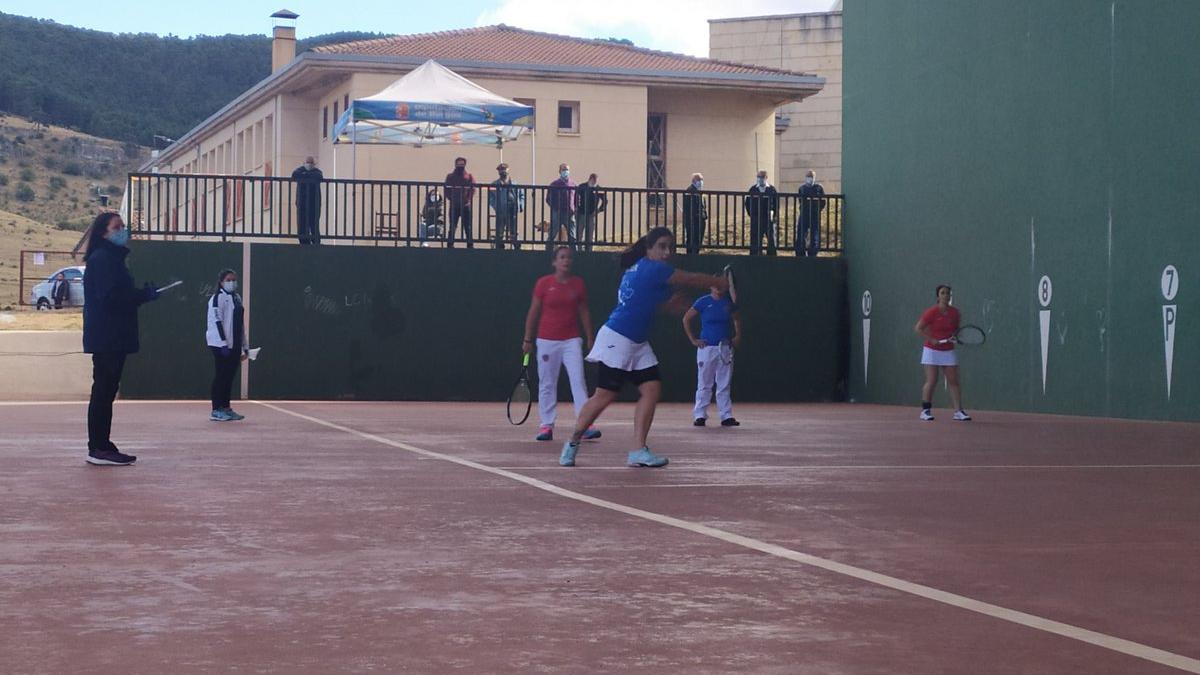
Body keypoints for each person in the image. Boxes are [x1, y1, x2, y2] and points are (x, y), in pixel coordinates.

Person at [558, 227, 729, 469]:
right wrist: (718, 282)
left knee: (651, 389)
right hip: (617, 338)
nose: (667, 252)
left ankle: (638, 450)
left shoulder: (639, 269)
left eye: (671, 247)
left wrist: (669, 307)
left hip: (636, 342)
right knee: (604, 396)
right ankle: (573, 442)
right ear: (649, 249)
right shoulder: (653, 268)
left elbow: (644, 304)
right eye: (661, 246)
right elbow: (690, 279)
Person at [81, 212, 160, 466]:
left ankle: (102, 444)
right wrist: (141, 296)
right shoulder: (103, 259)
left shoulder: (110, 259)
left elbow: (116, 294)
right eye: (117, 227)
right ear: (104, 232)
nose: (123, 230)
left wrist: (140, 295)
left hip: (111, 336)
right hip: (108, 337)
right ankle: (98, 447)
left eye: (123, 226)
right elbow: (111, 298)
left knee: (106, 391)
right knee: (103, 391)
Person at [522, 246, 601, 442]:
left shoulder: (578, 284)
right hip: (546, 340)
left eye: (569, 258)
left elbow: (584, 312)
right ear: (554, 262)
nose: (566, 261)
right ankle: (546, 425)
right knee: (547, 383)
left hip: (571, 340)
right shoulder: (543, 284)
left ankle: (585, 424)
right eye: (562, 257)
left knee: (578, 380)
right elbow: (533, 312)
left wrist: (590, 337)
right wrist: (527, 339)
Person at [683, 284, 742, 427]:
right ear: (711, 287)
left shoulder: (728, 303)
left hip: (725, 348)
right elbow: (686, 319)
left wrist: (737, 336)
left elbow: (737, 319)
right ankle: (700, 415)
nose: (719, 289)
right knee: (704, 383)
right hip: (707, 348)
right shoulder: (703, 302)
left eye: (722, 286)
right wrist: (693, 340)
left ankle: (726, 416)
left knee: (724, 383)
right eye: (716, 286)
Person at [914, 284, 972, 422]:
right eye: (942, 293)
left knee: (954, 381)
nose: (945, 295)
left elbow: (956, 331)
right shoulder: (931, 312)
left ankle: (958, 411)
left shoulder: (955, 313)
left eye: (947, 293)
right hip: (931, 350)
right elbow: (918, 328)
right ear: (937, 296)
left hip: (948, 350)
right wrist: (931, 339)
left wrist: (955, 337)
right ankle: (925, 411)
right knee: (932, 380)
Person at [206, 269, 249, 422]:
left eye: (234, 280)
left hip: (234, 345)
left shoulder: (237, 298)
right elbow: (218, 322)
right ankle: (216, 409)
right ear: (221, 282)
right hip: (220, 345)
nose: (232, 282)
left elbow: (240, 324)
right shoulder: (216, 299)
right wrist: (223, 344)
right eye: (229, 279)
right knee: (221, 376)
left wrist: (245, 346)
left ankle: (226, 407)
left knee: (229, 377)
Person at [489, 163, 524, 250]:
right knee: (500, 229)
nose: (503, 172)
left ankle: (516, 246)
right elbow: (491, 198)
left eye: (504, 170)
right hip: (501, 210)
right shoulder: (494, 184)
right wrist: (496, 207)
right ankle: (500, 246)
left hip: (512, 209)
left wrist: (520, 206)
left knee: (513, 229)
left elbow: (522, 195)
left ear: (508, 170)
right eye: (501, 170)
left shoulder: (515, 184)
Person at [744, 170, 778, 256]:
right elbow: (747, 203)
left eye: (762, 177)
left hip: (768, 218)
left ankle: (771, 257)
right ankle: (755, 256)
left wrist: (774, 215)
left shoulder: (772, 189)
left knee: (771, 239)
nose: (760, 179)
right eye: (759, 177)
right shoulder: (753, 189)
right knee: (755, 238)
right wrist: (751, 214)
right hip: (756, 218)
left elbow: (776, 203)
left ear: (766, 178)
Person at [444, 157, 476, 248]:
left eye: (462, 164)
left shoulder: (469, 176)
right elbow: (446, 189)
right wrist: (451, 198)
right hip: (454, 205)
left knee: (468, 226)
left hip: (466, 205)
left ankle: (470, 245)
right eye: (459, 164)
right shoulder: (450, 176)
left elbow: (473, 188)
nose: (460, 166)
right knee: (452, 226)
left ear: (465, 165)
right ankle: (450, 244)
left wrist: (468, 199)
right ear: (455, 164)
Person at [292, 156, 323, 245]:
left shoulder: (317, 172)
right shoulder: (299, 170)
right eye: (307, 162)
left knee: (314, 223)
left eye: (310, 163)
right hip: (302, 202)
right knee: (301, 223)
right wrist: (308, 176)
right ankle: (303, 241)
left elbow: (319, 176)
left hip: (314, 202)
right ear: (304, 163)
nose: (309, 164)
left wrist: (304, 175)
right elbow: (294, 175)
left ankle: (315, 241)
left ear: (314, 164)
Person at [545, 163, 577, 250]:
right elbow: (548, 198)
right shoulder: (554, 184)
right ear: (559, 171)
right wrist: (555, 208)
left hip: (570, 213)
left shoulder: (573, 184)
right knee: (552, 234)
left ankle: (575, 255)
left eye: (567, 169)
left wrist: (575, 209)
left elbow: (577, 199)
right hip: (557, 212)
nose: (565, 171)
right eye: (563, 170)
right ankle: (547, 253)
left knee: (572, 236)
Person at [796, 169, 826, 257]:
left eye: (812, 177)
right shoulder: (802, 188)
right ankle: (800, 253)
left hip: (814, 214)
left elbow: (823, 202)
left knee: (814, 234)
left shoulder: (819, 188)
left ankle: (813, 253)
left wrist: (818, 209)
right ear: (805, 178)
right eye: (808, 176)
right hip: (804, 214)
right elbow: (800, 201)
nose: (810, 178)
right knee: (801, 234)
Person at [574, 173, 607, 252]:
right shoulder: (582, 187)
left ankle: (589, 251)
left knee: (590, 236)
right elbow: (575, 197)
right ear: (590, 179)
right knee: (579, 234)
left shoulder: (598, 189)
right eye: (593, 180)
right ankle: (578, 251)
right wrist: (576, 208)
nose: (594, 182)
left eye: (596, 180)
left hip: (591, 214)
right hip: (581, 213)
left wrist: (599, 210)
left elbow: (605, 201)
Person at [682, 173, 708, 256]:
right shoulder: (690, 190)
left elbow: (703, 205)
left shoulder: (700, 191)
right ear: (694, 181)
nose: (701, 182)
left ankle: (695, 253)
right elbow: (689, 206)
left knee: (699, 239)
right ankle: (691, 255)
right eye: (699, 180)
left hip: (701, 218)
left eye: (702, 180)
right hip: (693, 219)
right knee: (692, 238)